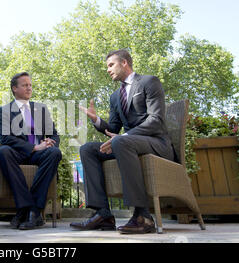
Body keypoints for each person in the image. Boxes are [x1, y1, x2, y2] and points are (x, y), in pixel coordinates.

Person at [70, 49, 175, 234]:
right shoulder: (115, 97)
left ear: (124, 62)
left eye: (111, 65)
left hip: (156, 143)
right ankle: (103, 214)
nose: (108, 70)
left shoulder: (149, 82)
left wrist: (125, 137)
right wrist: (96, 120)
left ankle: (143, 216)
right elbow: (113, 128)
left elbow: (156, 119)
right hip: (128, 144)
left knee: (121, 142)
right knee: (88, 149)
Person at [0, 72, 62, 230]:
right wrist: (33, 147)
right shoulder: (4, 110)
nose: (29, 88)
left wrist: (50, 142)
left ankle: (31, 211)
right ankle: (28, 208)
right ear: (14, 89)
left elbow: (54, 134)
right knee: (3, 151)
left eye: (30, 85)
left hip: (39, 155)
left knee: (55, 153)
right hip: (17, 154)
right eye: (25, 85)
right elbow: (5, 138)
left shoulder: (41, 109)